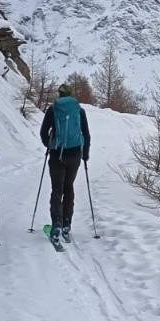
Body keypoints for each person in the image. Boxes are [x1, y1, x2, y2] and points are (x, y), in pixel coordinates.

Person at [39, 83, 90, 243]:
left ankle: (57, 224)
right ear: (72, 94)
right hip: (74, 154)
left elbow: (43, 132)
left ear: (59, 95)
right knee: (69, 188)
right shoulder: (79, 110)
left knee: (57, 189)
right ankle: (67, 223)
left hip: (57, 156)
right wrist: (85, 154)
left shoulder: (52, 110)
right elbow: (86, 134)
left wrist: (50, 144)